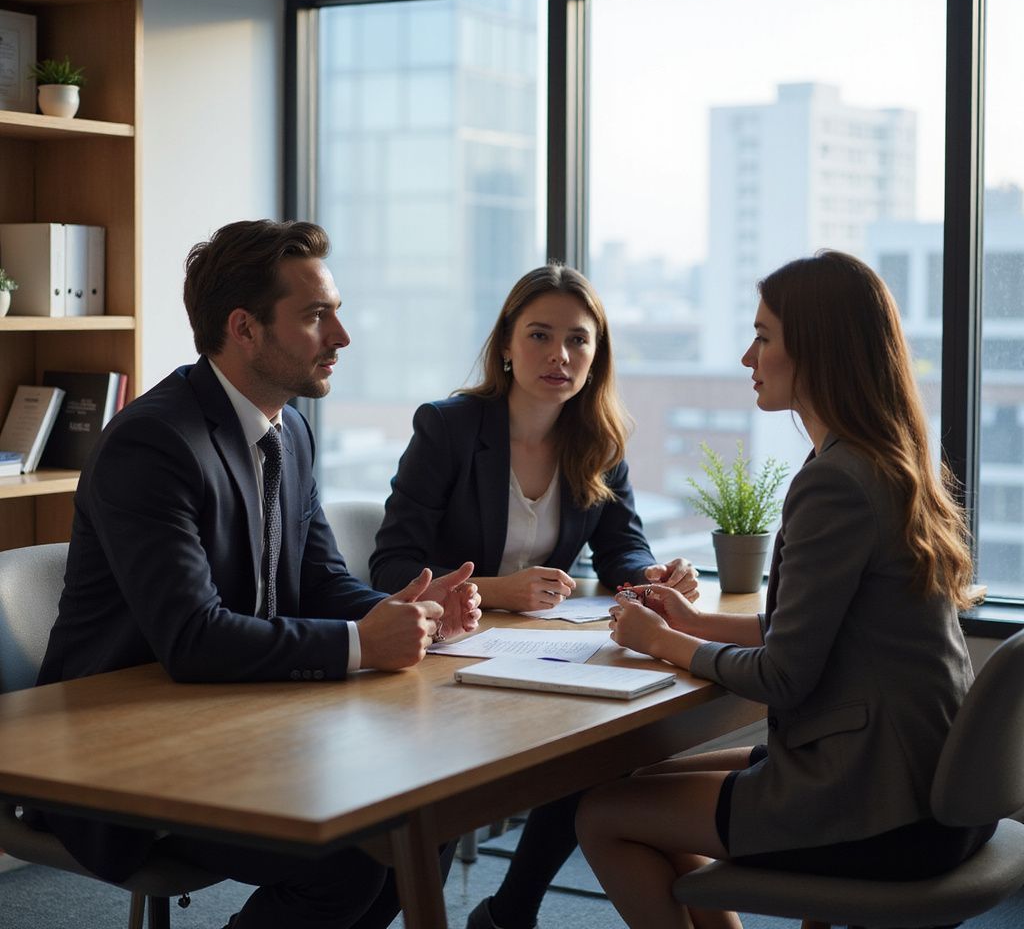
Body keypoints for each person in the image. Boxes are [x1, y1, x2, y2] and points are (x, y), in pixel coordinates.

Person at [34, 219, 482, 929]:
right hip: (124, 746)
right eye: (315, 316)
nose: (342, 335)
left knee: (425, 811)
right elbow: (191, 637)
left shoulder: (288, 429)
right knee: (345, 857)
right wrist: (367, 644)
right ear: (243, 329)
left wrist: (412, 611)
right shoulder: (155, 443)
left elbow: (323, 580)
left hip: (249, 715)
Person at [574, 250, 993, 929]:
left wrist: (663, 641)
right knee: (637, 789)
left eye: (764, 337)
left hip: (878, 803)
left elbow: (786, 676)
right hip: (925, 785)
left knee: (603, 816)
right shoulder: (882, 462)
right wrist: (694, 623)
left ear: (817, 351)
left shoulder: (835, 482)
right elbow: (817, 631)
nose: (748, 355)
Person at [369, 262, 699, 929]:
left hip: (532, 659)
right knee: (442, 791)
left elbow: (620, 550)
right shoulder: (449, 428)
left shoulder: (598, 441)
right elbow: (390, 566)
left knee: (600, 747)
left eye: (578, 340)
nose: (560, 356)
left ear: (596, 354)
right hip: (438, 662)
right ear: (506, 346)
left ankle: (510, 910)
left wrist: (652, 580)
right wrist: (494, 590)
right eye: (540, 335)